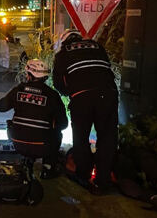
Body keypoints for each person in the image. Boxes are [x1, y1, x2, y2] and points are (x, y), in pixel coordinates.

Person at [52, 29, 118, 195]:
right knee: (107, 137)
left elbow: (59, 84)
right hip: (108, 94)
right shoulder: (97, 46)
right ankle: (103, 181)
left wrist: (71, 92)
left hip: (82, 98)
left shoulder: (63, 53)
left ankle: (84, 174)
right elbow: (106, 69)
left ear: (65, 41)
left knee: (81, 138)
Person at [0, 59, 68, 178]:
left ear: (28, 75)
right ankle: (48, 168)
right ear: (45, 77)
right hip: (42, 146)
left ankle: (27, 161)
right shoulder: (52, 95)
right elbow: (63, 124)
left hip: (18, 142)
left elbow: (1, 107)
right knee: (57, 134)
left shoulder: (19, 90)